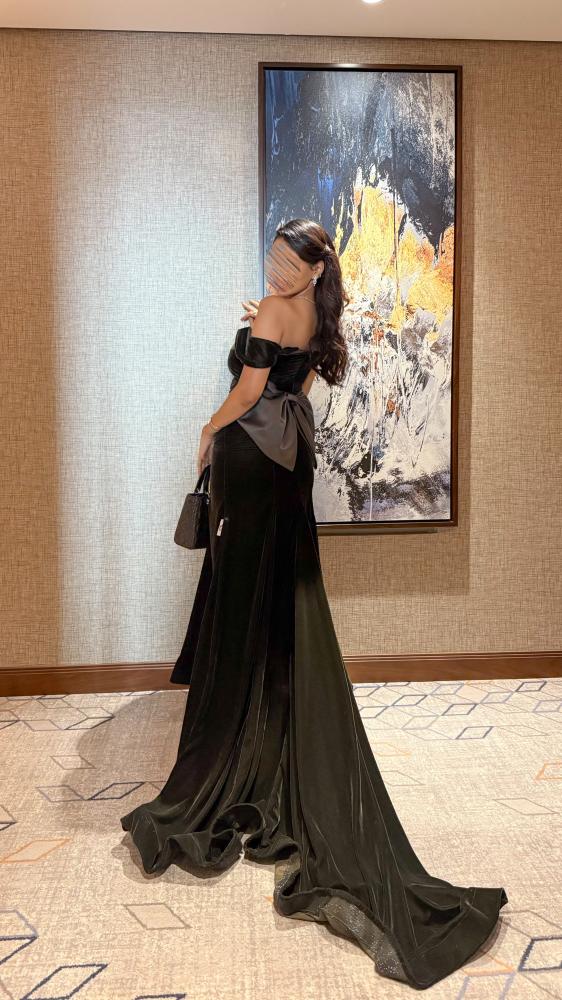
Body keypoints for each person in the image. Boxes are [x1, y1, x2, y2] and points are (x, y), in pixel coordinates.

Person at [120, 218, 508, 990]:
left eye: (287, 260)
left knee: (242, 604)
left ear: (314, 267)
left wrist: (207, 428)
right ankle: (265, 749)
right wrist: (266, 320)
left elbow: (250, 391)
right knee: (280, 605)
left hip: (249, 461)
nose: (274, 267)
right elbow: (289, 379)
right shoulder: (310, 315)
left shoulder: (275, 310)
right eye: (271, 256)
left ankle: (231, 758)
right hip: (287, 469)